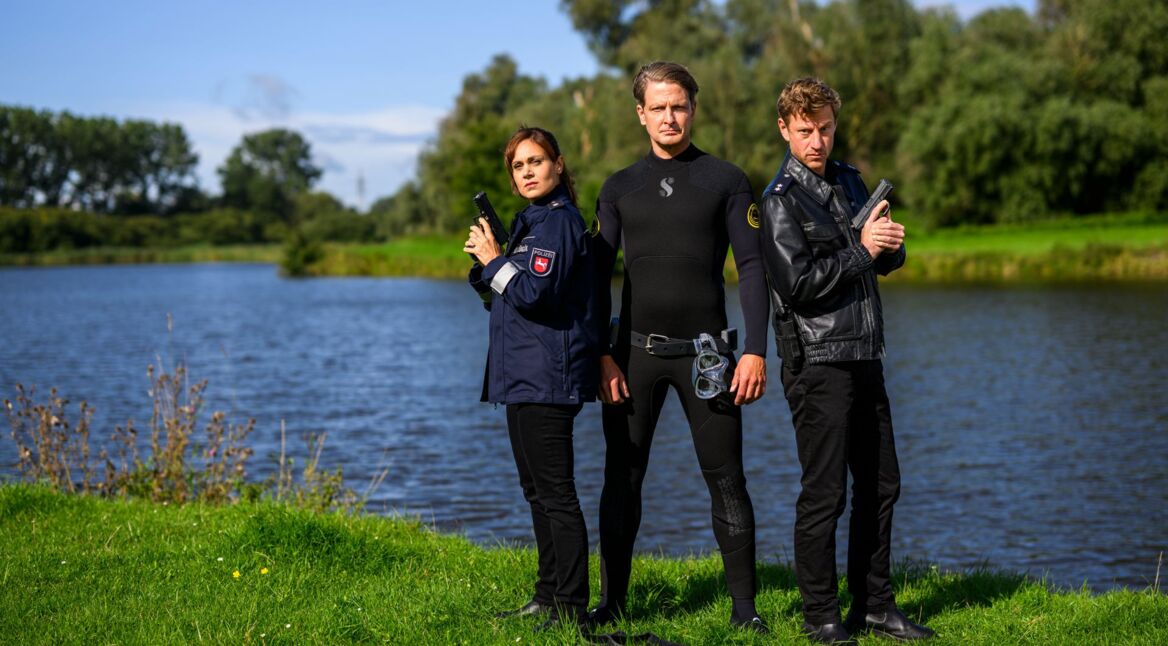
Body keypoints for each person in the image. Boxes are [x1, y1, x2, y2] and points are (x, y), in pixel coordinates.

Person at [590, 61, 770, 633]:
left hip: (708, 358)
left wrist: (756, 350)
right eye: (658, 107)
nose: (670, 116)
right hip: (633, 355)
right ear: (640, 113)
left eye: (680, 105)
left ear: (693, 109)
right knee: (623, 478)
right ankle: (611, 605)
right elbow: (596, 279)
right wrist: (602, 353)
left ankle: (746, 614)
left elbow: (752, 268)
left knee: (727, 479)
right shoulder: (619, 188)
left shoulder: (726, 180)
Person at [758, 77, 935, 643]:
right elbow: (800, 285)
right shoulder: (779, 200)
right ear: (785, 129)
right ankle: (821, 618)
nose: (818, 141)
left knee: (883, 484)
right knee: (824, 492)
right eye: (806, 131)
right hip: (817, 361)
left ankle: (876, 606)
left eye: (826, 129)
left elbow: (881, 262)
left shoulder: (852, 179)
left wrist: (889, 245)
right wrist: (863, 251)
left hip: (865, 353)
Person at [464, 126, 598, 632]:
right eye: (518, 166)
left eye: (536, 162)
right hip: (519, 377)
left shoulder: (558, 224)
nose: (527, 172)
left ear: (558, 165)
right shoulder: (528, 224)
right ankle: (548, 596)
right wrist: (488, 262)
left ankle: (571, 605)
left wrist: (496, 260)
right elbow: (503, 293)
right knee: (536, 492)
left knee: (557, 494)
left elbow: (536, 295)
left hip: (548, 377)